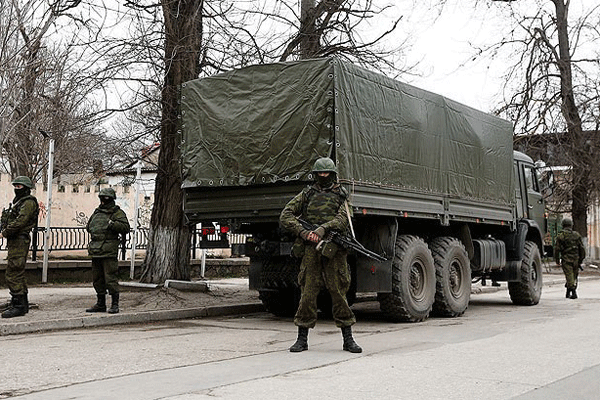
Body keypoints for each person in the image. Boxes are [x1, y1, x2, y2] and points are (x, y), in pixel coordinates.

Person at [279, 157, 362, 353]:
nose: (323, 176)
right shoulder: (307, 194)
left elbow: (343, 219)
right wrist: (303, 232)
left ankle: (348, 339)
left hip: (334, 250)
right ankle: (302, 339)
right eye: (320, 173)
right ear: (315, 175)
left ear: (332, 174)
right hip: (311, 250)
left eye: (326, 173)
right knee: (307, 293)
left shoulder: (341, 195)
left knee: (339, 292)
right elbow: (286, 215)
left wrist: (323, 229)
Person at [85, 187, 130, 313]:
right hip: (96, 250)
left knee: (110, 278)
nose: (104, 200)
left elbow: (125, 227)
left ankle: (115, 304)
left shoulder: (117, 212)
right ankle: (101, 304)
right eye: (102, 197)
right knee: (97, 279)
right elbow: (89, 226)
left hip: (109, 251)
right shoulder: (97, 212)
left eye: (106, 198)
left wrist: (112, 224)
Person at [0, 176, 39, 318]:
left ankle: (19, 305)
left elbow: (21, 221)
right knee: (17, 272)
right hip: (15, 239)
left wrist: (4, 233)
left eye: (19, 187)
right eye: (15, 186)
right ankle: (20, 302)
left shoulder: (28, 203)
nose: (17, 189)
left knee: (13, 272)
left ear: (26, 188)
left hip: (19, 239)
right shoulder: (19, 202)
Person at [554, 217, 585, 299]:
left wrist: (557, 260)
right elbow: (582, 248)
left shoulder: (561, 236)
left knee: (569, 275)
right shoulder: (576, 235)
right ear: (571, 225)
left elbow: (557, 249)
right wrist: (581, 259)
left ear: (563, 225)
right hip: (576, 259)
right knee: (574, 276)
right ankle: (568, 292)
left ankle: (573, 293)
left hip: (566, 259)